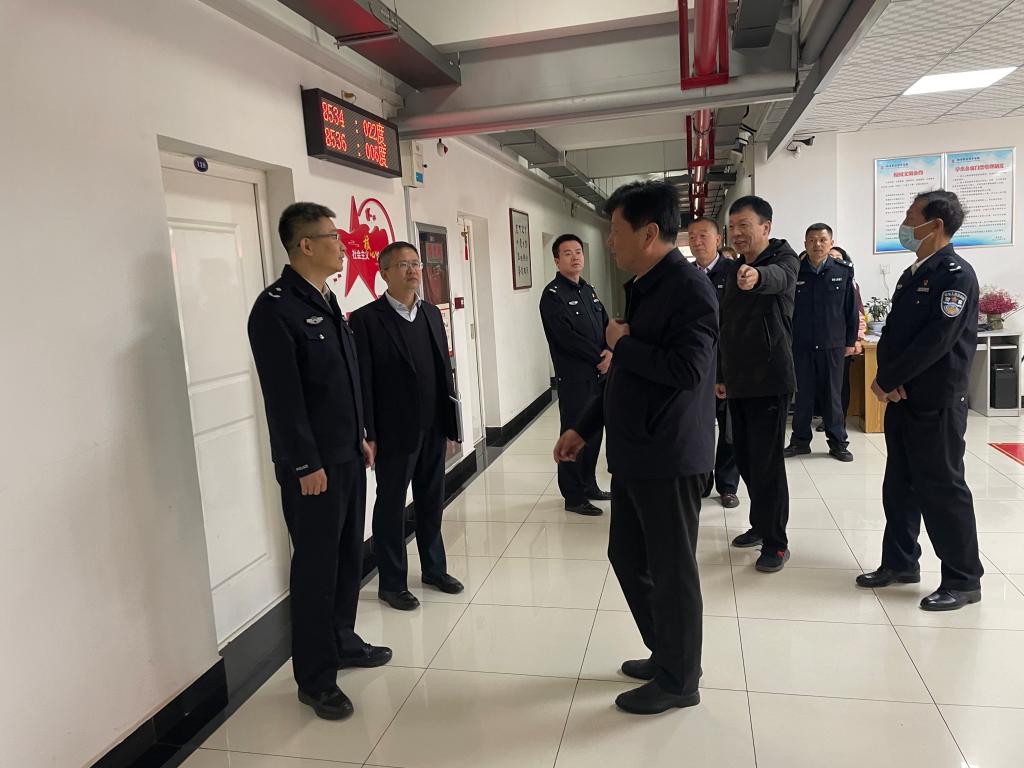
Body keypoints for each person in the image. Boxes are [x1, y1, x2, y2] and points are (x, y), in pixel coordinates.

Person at [555, 181, 718, 715]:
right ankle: (668, 651)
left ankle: (680, 680)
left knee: (671, 570)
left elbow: (687, 370)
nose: (608, 241)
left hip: (669, 455)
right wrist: (584, 426)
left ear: (648, 233)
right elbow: (627, 373)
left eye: (615, 230)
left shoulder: (688, 287)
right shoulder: (647, 284)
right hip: (637, 452)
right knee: (627, 556)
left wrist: (623, 342)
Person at [247, 202, 391, 721]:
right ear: (305, 245)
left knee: (348, 557)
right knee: (316, 569)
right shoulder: (276, 309)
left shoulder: (327, 299)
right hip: (314, 469)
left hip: (347, 456)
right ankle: (315, 678)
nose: (342, 245)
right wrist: (305, 464)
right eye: (334, 237)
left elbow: (344, 380)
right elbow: (284, 400)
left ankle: (342, 641)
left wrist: (363, 434)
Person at [857, 190, 983, 611]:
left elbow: (936, 340)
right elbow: (893, 334)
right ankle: (900, 563)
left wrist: (890, 378)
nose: (906, 225)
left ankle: (963, 580)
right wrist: (886, 379)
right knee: (900, 486)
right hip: (904, 398)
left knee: (942, 489)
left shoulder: (956, 276)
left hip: (936, 400)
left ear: (936, 225)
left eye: (912, 217)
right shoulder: (913, 274)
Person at [349, 242, 464, 611]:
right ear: (384, 273)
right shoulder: (366, 319)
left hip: (433, 425)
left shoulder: (430, 313)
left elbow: (442, 369)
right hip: (394, 431)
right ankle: (392, 582)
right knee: (391, 506)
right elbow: (363, 381)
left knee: (432, 501)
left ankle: (434, 569)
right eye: (403, 265)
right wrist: (368, 433)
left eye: (416, 263)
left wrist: (450, 421)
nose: (413, 270)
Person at [717, 196, 799, 573]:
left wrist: (758, 277)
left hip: (769, 379)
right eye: (732, 226)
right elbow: (727, 328)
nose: (737, 233)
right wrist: (721, 375)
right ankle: (760, 524)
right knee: (747, 460)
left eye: (744, 225)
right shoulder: (735, 267)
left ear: (765, 227)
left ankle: (776, 542)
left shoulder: (783, 259)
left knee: (767, 464)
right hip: (739, 381)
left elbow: (779, 278)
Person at [540, 234, 612, 516]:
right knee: (574, 433)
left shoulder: (588, 290)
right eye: (567, 253)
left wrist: (610, 351)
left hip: (598, 375)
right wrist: (599, 358)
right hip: (575, 377)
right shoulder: (552, 296)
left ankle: (589, 485)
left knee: (593, 433)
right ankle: (573, 495)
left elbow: (605, 324)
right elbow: (566, 337)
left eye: (578, 252)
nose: (575, 257)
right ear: (557, 261)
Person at [784, 224, 859, 461]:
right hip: (802, 344)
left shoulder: (843, 271)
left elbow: (851, 309)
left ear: (831, 243)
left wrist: (850, 340)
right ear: (805, 244)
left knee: (832, 396)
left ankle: (838, 443)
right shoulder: (795, 271)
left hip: (832, 345)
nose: (817, 244)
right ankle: (800, 442)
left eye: (822, 240)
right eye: (812, 240)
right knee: (803, 396)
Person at [687, 216, 739, 508]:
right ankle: (701, 480)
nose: (697, 242)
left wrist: (727, 373)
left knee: (729, 431)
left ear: (718, 240)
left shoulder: (734, 273)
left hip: (728, 366)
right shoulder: (684, 275)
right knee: (698, 429)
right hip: (695, 367)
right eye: (692, 237)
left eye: (703, 236)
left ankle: (728, 485)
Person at [830, 246, 867, 422]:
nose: (834, 261)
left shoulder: (850, 282)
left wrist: (856, 338)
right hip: (824, 340)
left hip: (843, 341)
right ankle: (827, 417)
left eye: (838, 257)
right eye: (831, 257)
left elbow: (857, 314)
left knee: (841, 382)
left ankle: (840, 418)